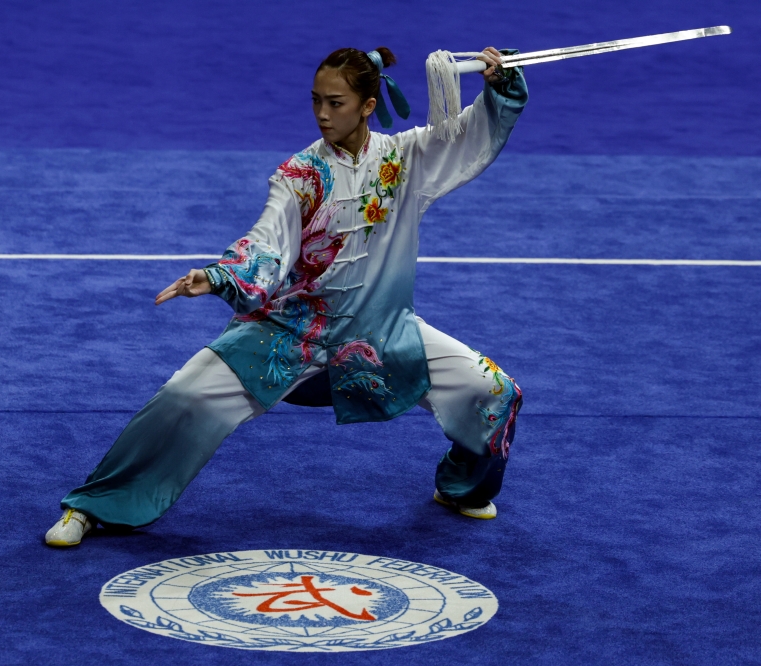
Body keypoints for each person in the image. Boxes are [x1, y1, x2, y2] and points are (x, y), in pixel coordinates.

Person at [46, 46, 528, 547]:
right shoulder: (300, 176)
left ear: (367, 105)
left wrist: (500, 84)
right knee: (183, 396)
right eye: (316, 100)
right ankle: (93, 505)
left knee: (493, 391)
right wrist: (218, 276)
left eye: (336, 103)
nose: (322, 114)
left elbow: (467, 136)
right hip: (290, 333)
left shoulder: (405, 158)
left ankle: (461, 487)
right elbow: (267, 243)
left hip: (381, 333)